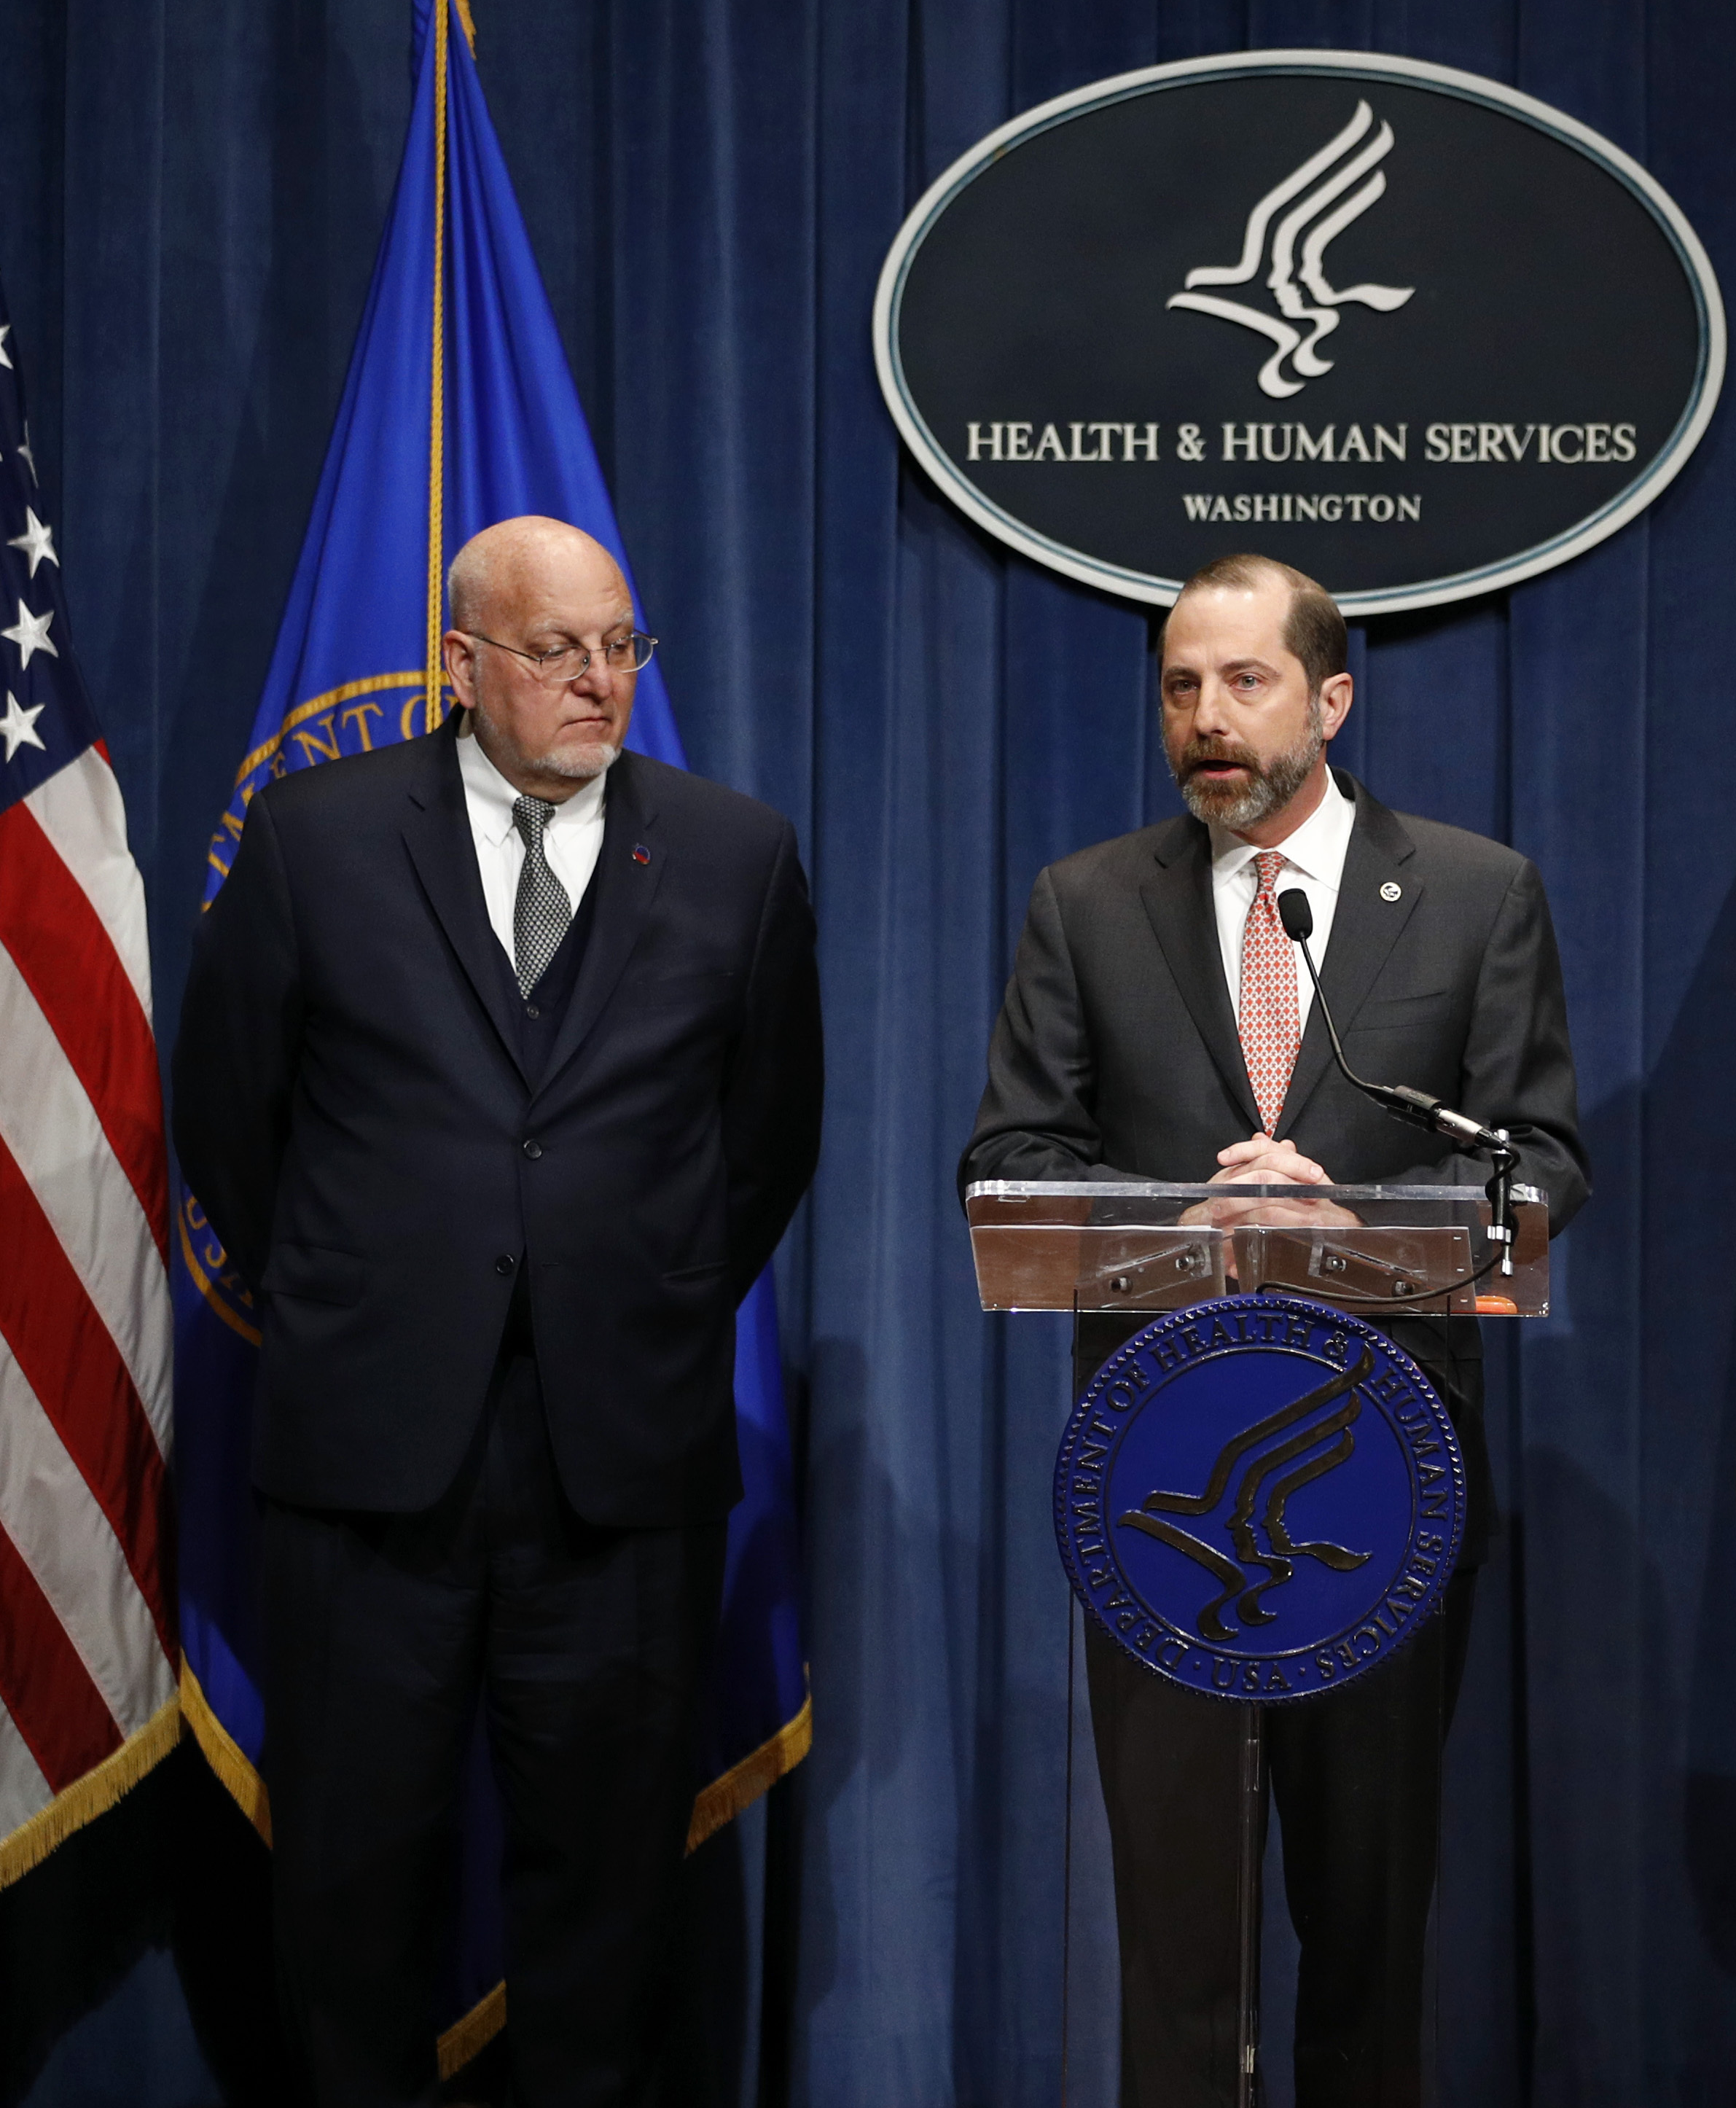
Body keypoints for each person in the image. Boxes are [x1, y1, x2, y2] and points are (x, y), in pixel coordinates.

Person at [173, 515, 823, 2106]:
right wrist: (360, 1298)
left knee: (606, 1906)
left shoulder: (736, 853)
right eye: (557, 651)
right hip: (371, 1462)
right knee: (350, 1895)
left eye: (620, 646)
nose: (599, 681)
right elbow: (230, 1114)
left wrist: (633, 1302)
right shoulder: (316, 837)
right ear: (462, 664)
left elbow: (767, 1145)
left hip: (621, 1466)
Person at [963, 553, 1587, 2108]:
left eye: (1243, 682)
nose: (1205, 719)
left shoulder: (1471, 891)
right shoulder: (1089, 903)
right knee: (1179, 1936)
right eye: (1181, 686)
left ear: (1332, 697)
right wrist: (1179, 1219)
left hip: (1388, 1484)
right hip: (1155, 1487)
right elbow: (1010, 1162)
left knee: (1370, 1927)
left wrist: (1354, 1231)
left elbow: (1541, 1161)